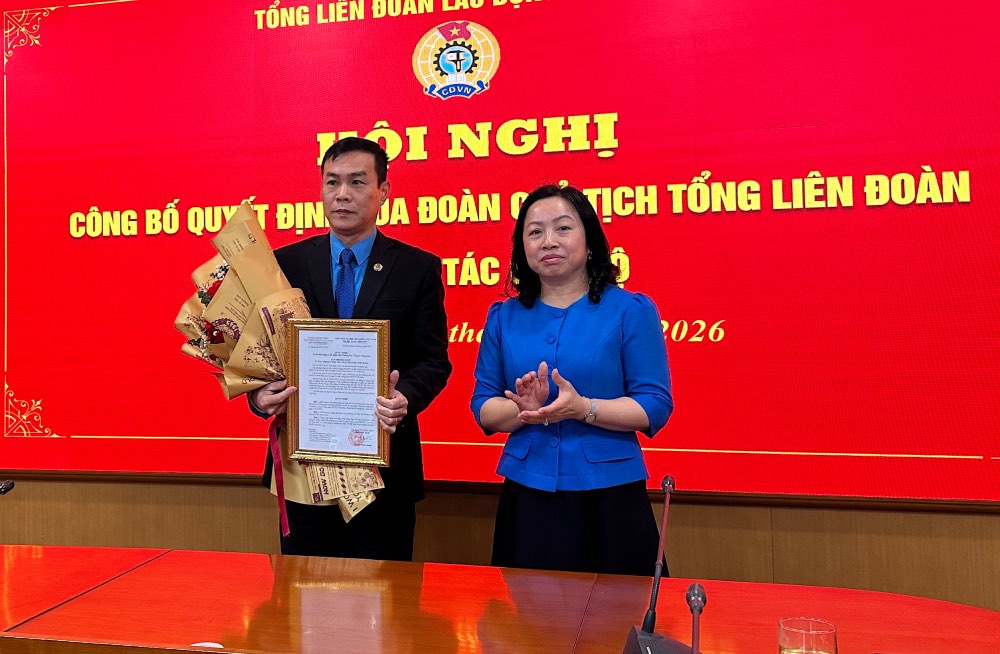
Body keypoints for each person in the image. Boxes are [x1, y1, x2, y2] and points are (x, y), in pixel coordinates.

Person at [251, 137, 452, 560]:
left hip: (384, 468)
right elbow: (260, 356)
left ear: (384, 191)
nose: (342, 194)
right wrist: (258, 396)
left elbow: (433, 360)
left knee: (386, 610)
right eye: (332, 182)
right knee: (301, 605)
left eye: (357, 182)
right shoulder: (283, 264)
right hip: (304, 466)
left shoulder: (417, 268)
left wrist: (405, 398)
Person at [470, 183, 673, 576]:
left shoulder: (629, 310)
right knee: (529, 629)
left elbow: (654, 405)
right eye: (534, 232)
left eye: (563, 228)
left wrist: (583, 409)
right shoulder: (503, 317)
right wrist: (524, 411)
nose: (549, 241)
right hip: (528, 495)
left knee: (616, 625)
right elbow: (483, 407)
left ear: (590, 239)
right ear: (522, 248)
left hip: (610, 496)